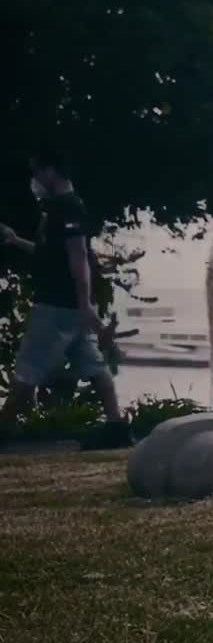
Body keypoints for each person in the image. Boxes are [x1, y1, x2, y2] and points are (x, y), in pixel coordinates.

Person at [0, 145, 132, 450]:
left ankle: (3, 429)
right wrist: (14, 240)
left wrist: (86, 304)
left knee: (27, 368)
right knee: (93, 365)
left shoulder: (70, 208)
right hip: (70, 306)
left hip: (57, 306)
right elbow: (51, 258)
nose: (34, 180)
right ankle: (116, 427)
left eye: (36, 172)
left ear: (50, 171)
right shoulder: (59, 209)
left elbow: (78, 258)